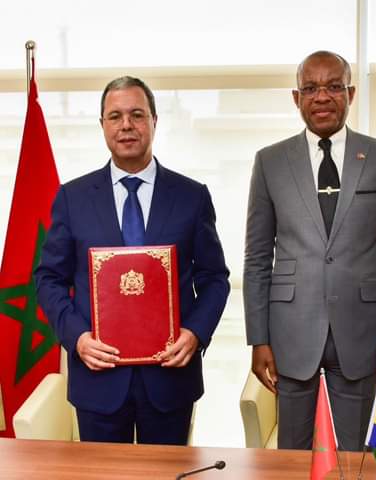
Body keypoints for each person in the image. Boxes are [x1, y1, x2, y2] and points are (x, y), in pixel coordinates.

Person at [34, 76, 230, 445]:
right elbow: (49, 279)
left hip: (171, 378)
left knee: (167, 471)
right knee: (104, 473)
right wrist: (77, 338)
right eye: (115, 116)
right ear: (103, 125)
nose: (126, 125)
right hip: (98, 377)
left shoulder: (191, 196)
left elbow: (214, 278)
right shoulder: (73, 198)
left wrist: (195, 333)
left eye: (137, 115)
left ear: (154, 121)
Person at [243, 51, 376, 451]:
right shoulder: (270, 161)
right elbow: (257, 258)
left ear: (350, 93)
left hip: (361, 330)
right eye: (310, 88)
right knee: (292, 454)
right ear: (296, 98)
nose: (322, 97)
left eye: (334, 86)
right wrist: (258, 339)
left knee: (352, 455)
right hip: (290, 330)